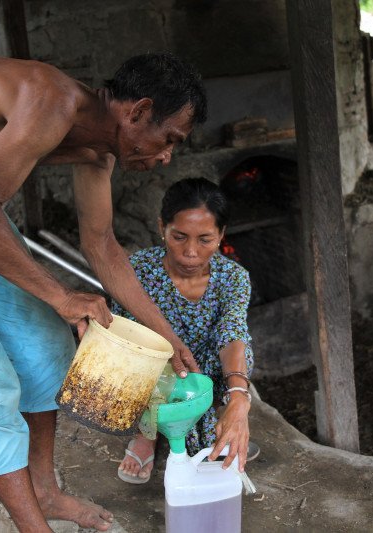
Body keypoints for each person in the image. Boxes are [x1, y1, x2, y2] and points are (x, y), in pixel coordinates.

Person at [0, 53, 206, 532]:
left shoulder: (99, 149)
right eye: (169, 139)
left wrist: (169, 340)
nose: (167, 155)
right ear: (137, 111)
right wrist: (61, 295)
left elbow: (102, 247)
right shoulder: (50, 102)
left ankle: (44, 493)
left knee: (46, 349)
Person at [111, 178, 256, 484]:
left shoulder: (234, 277)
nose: (190, 252)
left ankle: (218, 414)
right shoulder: (137, 270)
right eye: (179, 237)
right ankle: (146, 433)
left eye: (205, 240)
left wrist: (239, 398)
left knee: (239, 352)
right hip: (155, 365)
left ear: (222, 235)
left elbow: (232, 330)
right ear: (162, 226)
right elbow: (123, 334)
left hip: (205, 366)